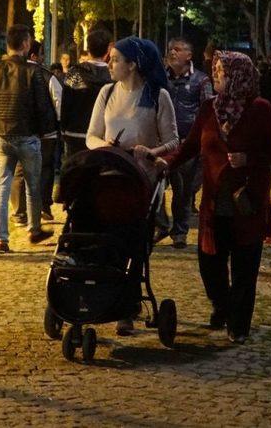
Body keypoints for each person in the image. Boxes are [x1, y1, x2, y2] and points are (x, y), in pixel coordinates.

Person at [156, 51, 271, 345]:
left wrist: (249, 158)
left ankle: (238, 325)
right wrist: (167, 162)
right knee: (209, 262)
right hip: (214, 203)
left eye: (221, 72)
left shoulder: (260, 109)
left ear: (238, 76)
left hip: (246, 203)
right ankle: (222, 306)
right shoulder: (209, 109)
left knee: (244, 267)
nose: (215, 76)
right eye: (213, 70)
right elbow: (190, 146)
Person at [86, 36, 179, 335]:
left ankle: (125, 305)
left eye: (115, 59)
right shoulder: (107, 92)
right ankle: (104, 296)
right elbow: (91, 136)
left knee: (132, 240)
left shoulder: (157, 96)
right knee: (105, 239)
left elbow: (173, 139)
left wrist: (152, 153)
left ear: (132, 64)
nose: (110, 64)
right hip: (111, 176)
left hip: (141, 181)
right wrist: (108, 148)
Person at [0, 24, 56, 253]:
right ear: (25, 44)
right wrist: (45, 133)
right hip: (28, 136)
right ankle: (34, 230)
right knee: (32, 186)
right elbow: (42, 107)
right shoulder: (33, 72)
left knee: (2, 186)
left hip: (3, 136)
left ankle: (1, 238)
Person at [154, 37, 213, 249]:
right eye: (170, 49)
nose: (172, 52)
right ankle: (161, 224)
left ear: (189, 55)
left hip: (187, 145)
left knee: (183, 192)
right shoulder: (161, 79)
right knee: (155, 186)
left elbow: (208, 113)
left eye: (177, 49)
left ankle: (179, 233)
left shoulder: (201, 81)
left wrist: (198, 142)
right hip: (163, 143)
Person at [10, 40, 61, 225]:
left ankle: (19, 212)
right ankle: (43, 207)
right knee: (45, 169)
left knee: (19, 171)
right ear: (33, 56)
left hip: (19, 131)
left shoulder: (11, 73)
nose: (42, 58)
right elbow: (59, 103)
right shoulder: (47, 76)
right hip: (46, 133)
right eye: (41, 54)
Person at [61, 28, 113, 158]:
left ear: (88, 48)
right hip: (102, 138)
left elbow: (65, 104)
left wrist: (63, 130)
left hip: (75, 134)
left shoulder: (74, 73)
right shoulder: (113, 76)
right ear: (108, 51)